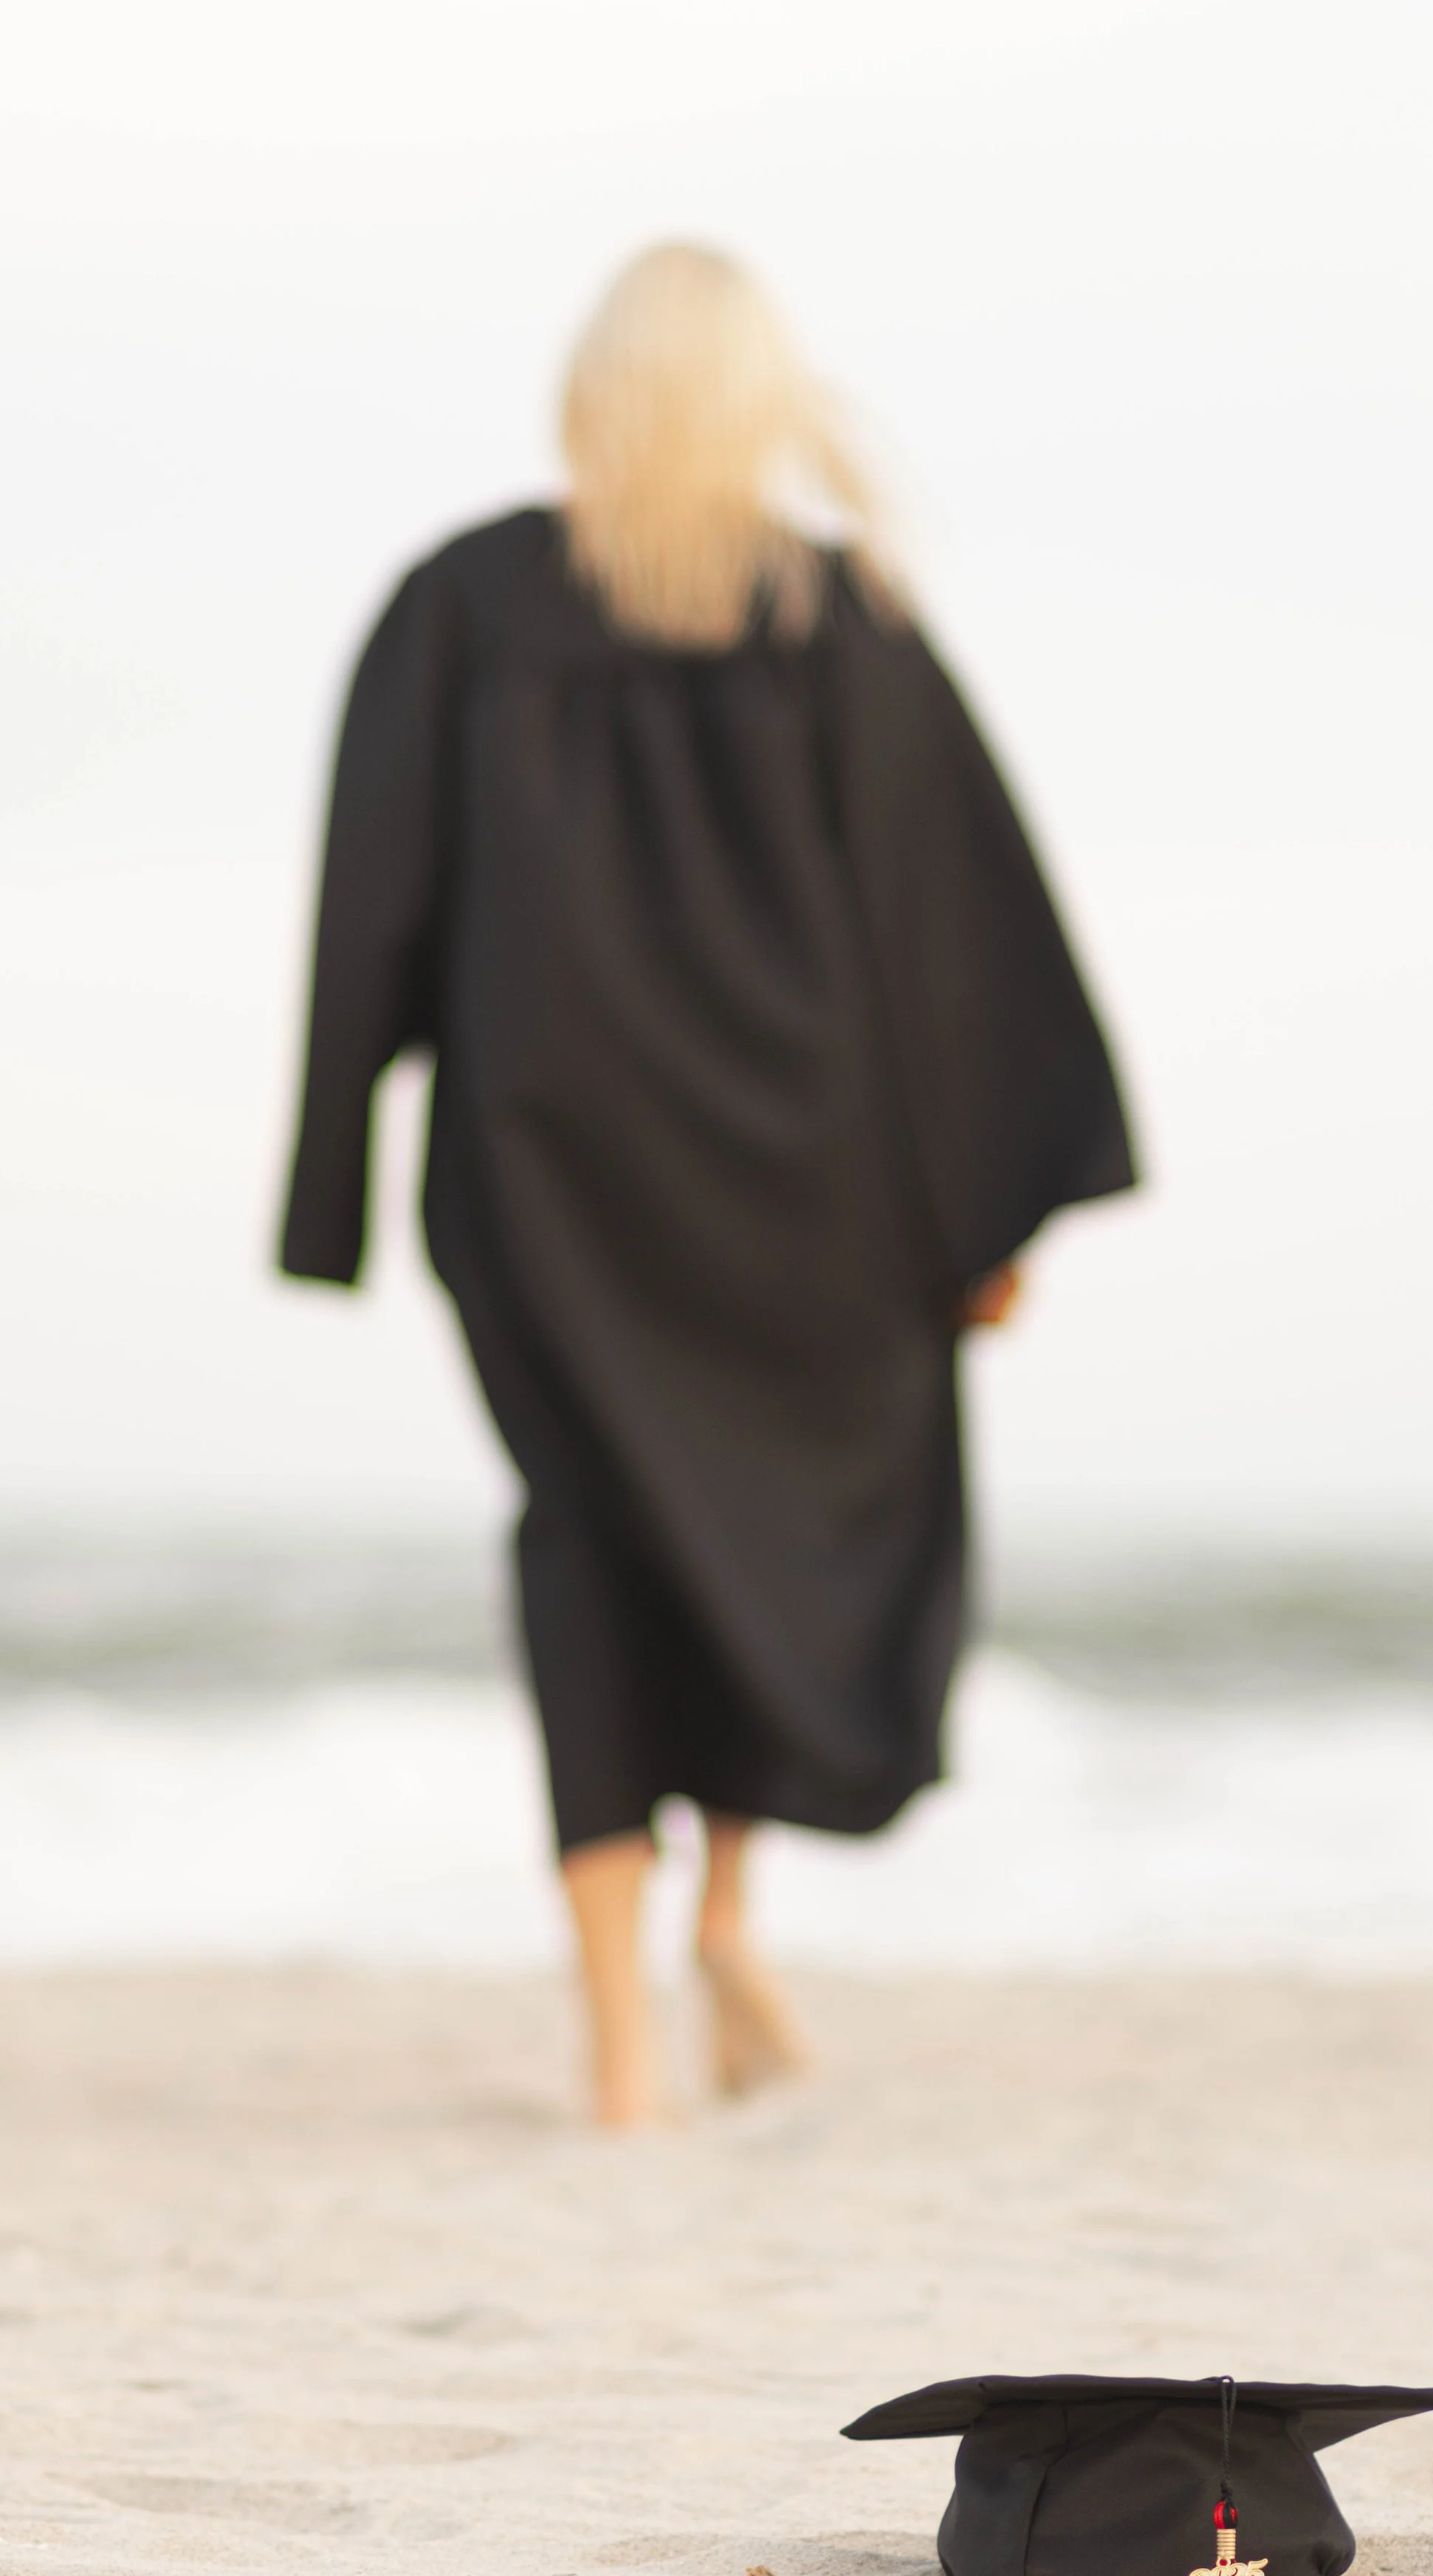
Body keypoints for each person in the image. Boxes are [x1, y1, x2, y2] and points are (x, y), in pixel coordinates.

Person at [279, 244, 1135, 2126]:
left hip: (547, 1174)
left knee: (591, 1536)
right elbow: (953, 943)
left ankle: (620, 2033)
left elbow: (373, 899)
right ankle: (727, 1925)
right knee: (763, 1535)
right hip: (811, 1191)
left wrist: (335, 1174)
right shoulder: (837, 614)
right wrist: (986, 1217)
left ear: (590, 388)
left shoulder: (464, 600)